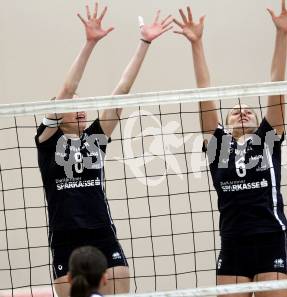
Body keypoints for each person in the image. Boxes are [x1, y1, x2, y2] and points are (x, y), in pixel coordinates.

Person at [35, 4, 172, 297]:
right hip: (65, 239)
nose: (80, 110)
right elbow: (68, 87)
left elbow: (122, 89)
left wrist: (144, 43)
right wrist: (89, 44)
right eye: (73, 106)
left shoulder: (96, 138)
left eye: (82, 105)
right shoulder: (46, 141)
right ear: (59, 114)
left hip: (101, 233)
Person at [174, 1, 287, 296]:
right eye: (235, 111)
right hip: (233, 241)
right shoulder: (217, 145)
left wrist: (282, 35)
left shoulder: (267, 139)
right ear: (226, 123)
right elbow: (204, 93)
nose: (242, 112)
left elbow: (276, 84)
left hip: (269, 237)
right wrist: (196, 43)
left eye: (248, 109)